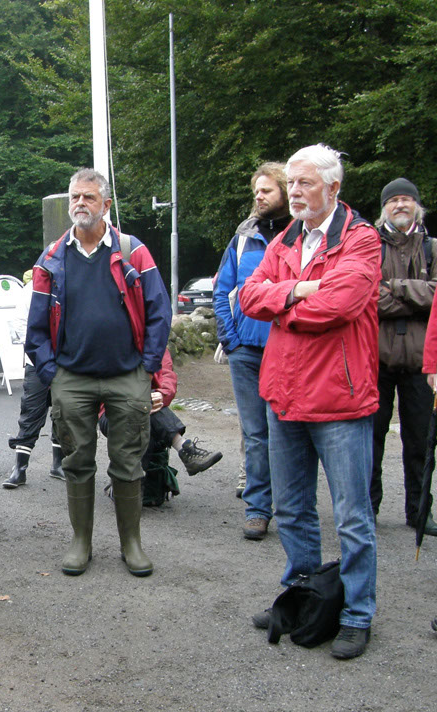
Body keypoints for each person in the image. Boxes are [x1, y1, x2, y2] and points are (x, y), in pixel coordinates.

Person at [240, 144, 381, 660]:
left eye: (305, 183)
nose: (295, 192)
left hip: (340, 400)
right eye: (291, 184)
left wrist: (283, 302)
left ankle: (356, 614)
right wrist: (298, 290)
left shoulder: (362, 241)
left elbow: (340, 306)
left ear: (334, 188)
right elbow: (248, 298)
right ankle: (302, 597)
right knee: (293, 508)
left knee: (351, 516)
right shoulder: (284, 239)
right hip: (285, 395)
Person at [25, 168, 171, 578]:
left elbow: (160, 312)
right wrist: (52, 373)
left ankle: (131, 544)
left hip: (128, 376)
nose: (80, 205)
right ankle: (81, 542)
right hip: (72, 377)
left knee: (128, 462)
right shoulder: (52, 259)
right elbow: (36, 327)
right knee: (76, 460)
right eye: (75, 198)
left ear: (106, 205)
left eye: (88, 198)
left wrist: (147, 369)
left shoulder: (132, 251)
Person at [213, 162, 291, 540]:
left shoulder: (301, 236)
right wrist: (231, 339)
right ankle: (258, 508)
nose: (259, 196)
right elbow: (222, 289)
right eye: (256, 190)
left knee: (287, 431)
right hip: (245, 350)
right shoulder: (243, 237)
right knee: (255, 433)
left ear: (285, 193)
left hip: (288, 350)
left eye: (267, 190)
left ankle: (291, 507)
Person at [370, 178, 437, 533]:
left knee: (421, 439)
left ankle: (420, 511)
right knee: (371, 438)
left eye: (406, 200)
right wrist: (417, 296)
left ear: (416, 206)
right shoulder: (370, 245)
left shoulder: (432, 247)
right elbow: (367, 296)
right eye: (393, 200)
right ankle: (368, 508)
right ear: (385, 207)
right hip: (375, 359)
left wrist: (393, 288)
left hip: (421, 364)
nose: (400, 205)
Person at [98, 349, 222, 496]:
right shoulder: (110, 341)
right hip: (111, 413)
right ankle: (184, 448)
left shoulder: (156, 344)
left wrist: (160, 396)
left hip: (148, 411)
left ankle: (128, 488)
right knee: (141, 406)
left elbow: (167, 377)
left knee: (145, 412)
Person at [3, 269, 66, 489]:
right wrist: (41, 357)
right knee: (31, 412)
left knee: (63, 413)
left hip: (67, 364)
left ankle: (58, 465)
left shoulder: (73, 284)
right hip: (37, 362)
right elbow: (20, 325)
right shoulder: (32, 289)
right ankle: (19, 469)